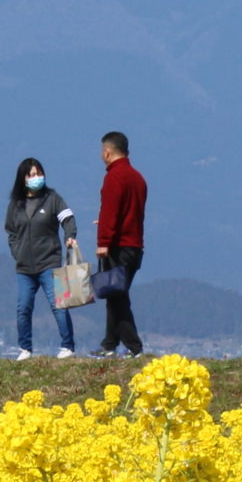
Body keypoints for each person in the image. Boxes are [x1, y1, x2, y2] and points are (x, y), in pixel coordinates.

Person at [5, 156, 80, 360]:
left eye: (38, 173)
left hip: (49, 262)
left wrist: (70, 236)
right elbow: (10, 231)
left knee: (59, 305)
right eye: (31, 175)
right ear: (23, 179)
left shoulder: (52, 198)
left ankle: (67, 346)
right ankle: (25, 348)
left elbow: (68, 219)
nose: (36, 177)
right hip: (24, 267)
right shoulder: (16, 204)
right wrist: (16, 251)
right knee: (23, 307)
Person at [94, 130, 147, 357]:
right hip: (134, 245)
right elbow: (129, 213)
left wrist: (103, 241)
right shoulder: (138, 178)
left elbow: (111, 210)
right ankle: (109, 344)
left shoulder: (114, 177)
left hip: (118, 246)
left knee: (118, 298)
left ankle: (134, 347)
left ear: (107, 152)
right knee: (114, 293)